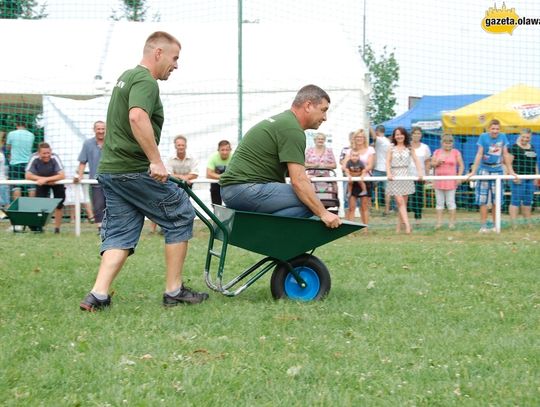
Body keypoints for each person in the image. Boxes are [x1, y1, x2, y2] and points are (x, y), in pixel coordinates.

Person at [79, 31, 208, 312]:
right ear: (158, 53)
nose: (176, 65)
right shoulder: (146, 80)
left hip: (111, 171)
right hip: (131, 169)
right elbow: (136, 116)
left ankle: (97, 295)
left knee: (121, 232)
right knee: (180, 213)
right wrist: (156, 161)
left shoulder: (127, 76)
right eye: (175, 58)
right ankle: (174, 291)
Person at [220, 84, 341, 228]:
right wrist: (324, 213)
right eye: (323, 110)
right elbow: (299, 182)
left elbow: (296, 177)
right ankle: (265, 234)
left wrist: (304, 185)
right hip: (245, 190)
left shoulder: (284, 122)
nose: (325, 117)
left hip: (234, 190)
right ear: (308, 105)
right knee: (310, 201)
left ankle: (274, 238)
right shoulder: (292, 129)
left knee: (307, 200)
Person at [467, 119, 516, 233]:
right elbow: (479, 153)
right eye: (493, 129)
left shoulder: (503, 137)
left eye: (497, 129)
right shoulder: (483, 137)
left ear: (500, 129)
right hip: (484, 169)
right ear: (489, 128)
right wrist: (473, 171)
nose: (495, 131)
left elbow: (505, 154)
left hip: (497, 169)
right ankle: (483, 226)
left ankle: (496, 225)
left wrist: (511, 171)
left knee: (497, 200)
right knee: (482, 200)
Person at [386, 127, 423, 234]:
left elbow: (416, 160)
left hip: (406, 175)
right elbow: (388, 161)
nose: (399, 136)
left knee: (402, 205)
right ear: (394, 136)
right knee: (400, 201)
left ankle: (398, 228)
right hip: (395, 176)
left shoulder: (409, 147)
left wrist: (420, 173)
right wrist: (389, 173)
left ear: (405, 135)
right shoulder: (391, 147)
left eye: (401, 134)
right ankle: (408, 226)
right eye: (397, 134)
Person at [25, 142, 66, 233]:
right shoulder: (34, 158)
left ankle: (57, 229)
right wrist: (42, 179)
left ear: (51, 152)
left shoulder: (55, 157)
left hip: (56, 183)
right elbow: (27, 175)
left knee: (59, 204)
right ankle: (39, 227)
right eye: (44, 153)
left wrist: (46, 179)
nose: (47, 155)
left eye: (48, 153)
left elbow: (62, 175)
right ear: (39, 153)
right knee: (40, 205)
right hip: (41, 183)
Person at [74, 120, 106, 231]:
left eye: (103, 129)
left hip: (111, 179)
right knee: (98, 205)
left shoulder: (112, 142)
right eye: (99, 129)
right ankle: (100, 228)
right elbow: (83, 162)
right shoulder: (87, 144)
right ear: (94, 130)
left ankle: (112, 229)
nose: (101, 131)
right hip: (95, 180)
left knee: (112, 205)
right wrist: (80, 176)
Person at [341, 129, 374, 225]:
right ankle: (349, 230)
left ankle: (365, 229)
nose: (359, 139)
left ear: (365, 139)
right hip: (352, 181)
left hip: (365, 179)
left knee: (364, 207)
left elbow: (370, 165)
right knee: (351, 207)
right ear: (354, 139)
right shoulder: (349, 151)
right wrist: (349, 171)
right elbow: (344, 165)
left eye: (361, 137)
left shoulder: (370, 149)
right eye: (357, 137)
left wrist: (362, 172)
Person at [432, 134, 464, 229]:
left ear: (452, 143)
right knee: (439, 203)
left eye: (450, 142)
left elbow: (461, 165)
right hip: (439, 180)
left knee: (451, 202)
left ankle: (452, 223)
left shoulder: (456, 152)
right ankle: (438, 223)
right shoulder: (437, 152)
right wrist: (437, 163)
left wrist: (459, 177)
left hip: (451, 181)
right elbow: (432, 164)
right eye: (446, 142)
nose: (448, 144)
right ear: (442, 143)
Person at [508, 128, 538, 227]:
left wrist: (536, 177)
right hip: (518, 178)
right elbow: (508, 163)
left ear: (531, 138)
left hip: (530, 178)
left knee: (528, 201)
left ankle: (528, 223)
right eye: (523, 137)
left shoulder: (532, 147)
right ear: (520, 136)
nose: (525, 139)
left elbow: (534, 164)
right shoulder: (514, 147)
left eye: (527, 137)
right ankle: (514, 224)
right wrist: (513, 176)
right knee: (515, 200)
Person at [407, 126, 431, 226]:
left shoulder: (425, 147)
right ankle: (405, 220)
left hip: (420, 176)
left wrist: (427, 176)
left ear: (421, 135)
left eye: (419, 133)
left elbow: (427, 162)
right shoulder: (407, 146)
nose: (417, 135)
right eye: (415, 133)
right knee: (408, 199)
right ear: (411, 135)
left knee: (418, 198)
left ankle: (418, 219)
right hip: (407, 176)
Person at [6, 120, 35, 201]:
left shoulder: (11, 134)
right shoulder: (31, 135)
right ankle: (32, 209)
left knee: (16, 188)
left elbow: (8, 147)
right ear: (25, 125)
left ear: (16, 125)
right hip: (28, 164)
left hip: (15, 163)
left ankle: (18, 209)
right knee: (31, 187)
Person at [370, 124, 393, 215]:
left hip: (379, 168)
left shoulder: (380, 140)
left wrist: (369, 126)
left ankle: (370, 206)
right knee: (387, 191)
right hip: (388, 169)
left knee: (370, 186)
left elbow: (374, 138)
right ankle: (387, 210)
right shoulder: (388, 141)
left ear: (377, 131)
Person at [206, 140, 232, 205]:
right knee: (216, 206)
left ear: (230, 150)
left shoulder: (234, 157)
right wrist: (223, 177)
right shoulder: (213, 157)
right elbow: (208, 174)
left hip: (230, 184)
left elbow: (238, 172)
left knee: (232, 205)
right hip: (216, 185)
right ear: (218, 150)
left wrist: (216, 176)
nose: (225, 152)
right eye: (222, 150)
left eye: (227, 150)